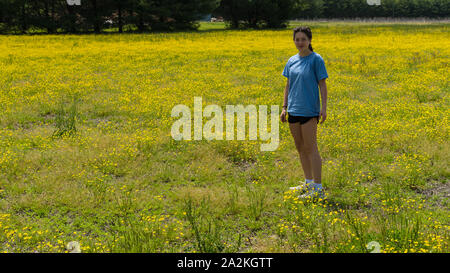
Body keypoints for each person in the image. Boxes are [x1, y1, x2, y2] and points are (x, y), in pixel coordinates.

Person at [280, 26, 328, 200]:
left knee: (311, 148)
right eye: (297, 39)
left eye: (303, 39)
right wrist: (284, 107)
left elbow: (322, 84)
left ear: (309, 40)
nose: (300, 42)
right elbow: (288, 85)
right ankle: (308, 182)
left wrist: (323, 108)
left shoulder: (316, 60)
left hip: (309, 110)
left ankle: (318, 187)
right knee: (300, 148)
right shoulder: (291, 60)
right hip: (293, 110)